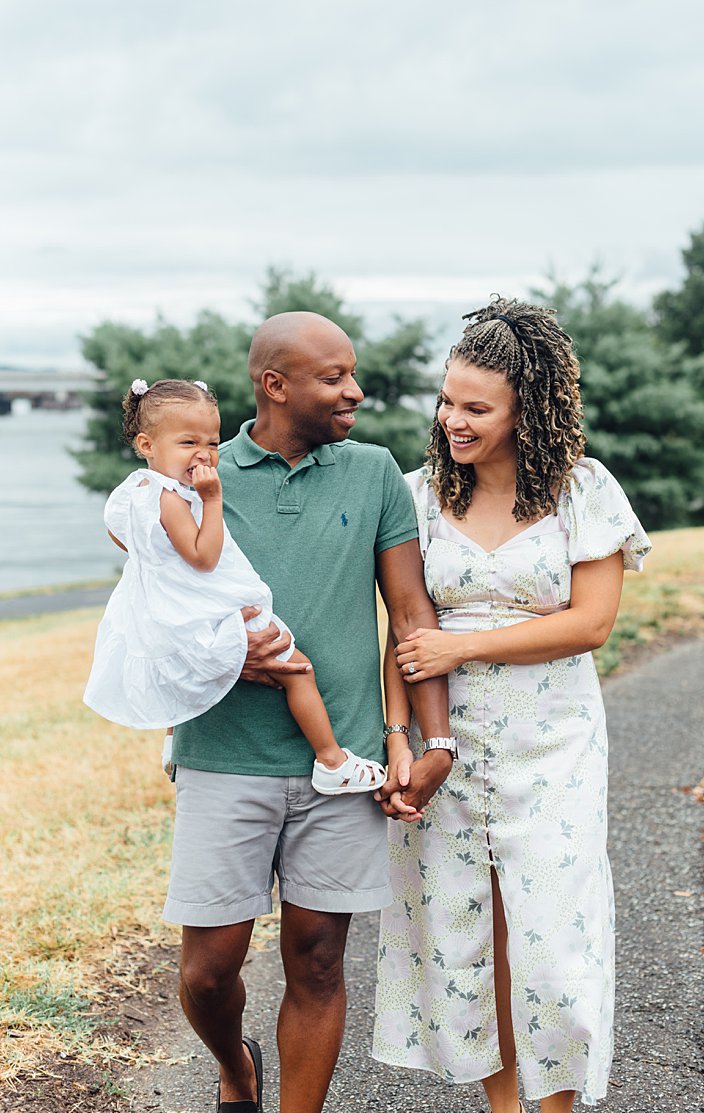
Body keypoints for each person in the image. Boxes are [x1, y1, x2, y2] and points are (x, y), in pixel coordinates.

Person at [162, 311, 453, 1113]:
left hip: (342, 761)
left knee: (319, 959)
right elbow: (150, 610)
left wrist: (433, 739)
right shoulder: (199, 476)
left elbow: (411, 612)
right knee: (208, 970)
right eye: (334, 377)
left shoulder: (374, 472)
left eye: (351, 373)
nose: (354, 390)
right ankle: (234, 1065)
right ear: (275, 384)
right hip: (223, 752)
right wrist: (224, 654)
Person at [371, 297, 649, 1113]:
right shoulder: (417, 496)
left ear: (528, 407)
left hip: (552, 739)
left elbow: (591, 623)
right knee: (471, 935)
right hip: (446, 742)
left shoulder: (583, 491)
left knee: (552, 945)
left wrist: (466, 645)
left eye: (477, 407)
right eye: (448, 401)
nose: (454, 419)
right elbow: (404, 630)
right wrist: (400, 739)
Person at [84, 377, 387, 795]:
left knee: (187, 671)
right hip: (212, 606)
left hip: (171, 609)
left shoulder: (134, 490)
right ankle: (332, 759)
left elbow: (121, 534)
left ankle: (173, 738)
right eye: (187, 443)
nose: (205, 454)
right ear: (147, 445)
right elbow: (204, 556)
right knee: (298, 670)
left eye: (212, 441)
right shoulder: (172, 498)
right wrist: (210, 499)